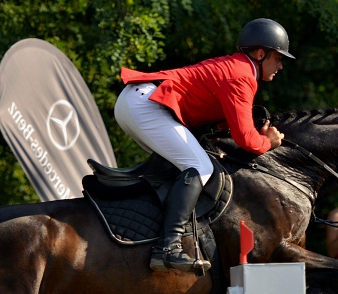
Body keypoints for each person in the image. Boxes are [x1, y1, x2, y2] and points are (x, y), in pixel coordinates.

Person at [115, 18, 292, 273]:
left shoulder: (235, 68)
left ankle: (149, 232)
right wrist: (270, 141)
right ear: (261, 53)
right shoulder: (241, 76)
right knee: (200, 167)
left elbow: (224, 128)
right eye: (278, 57)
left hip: (136, 103)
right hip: (146, 105)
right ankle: (168, 248)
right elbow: (246, 140)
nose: (280, 65)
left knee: (183, 168)